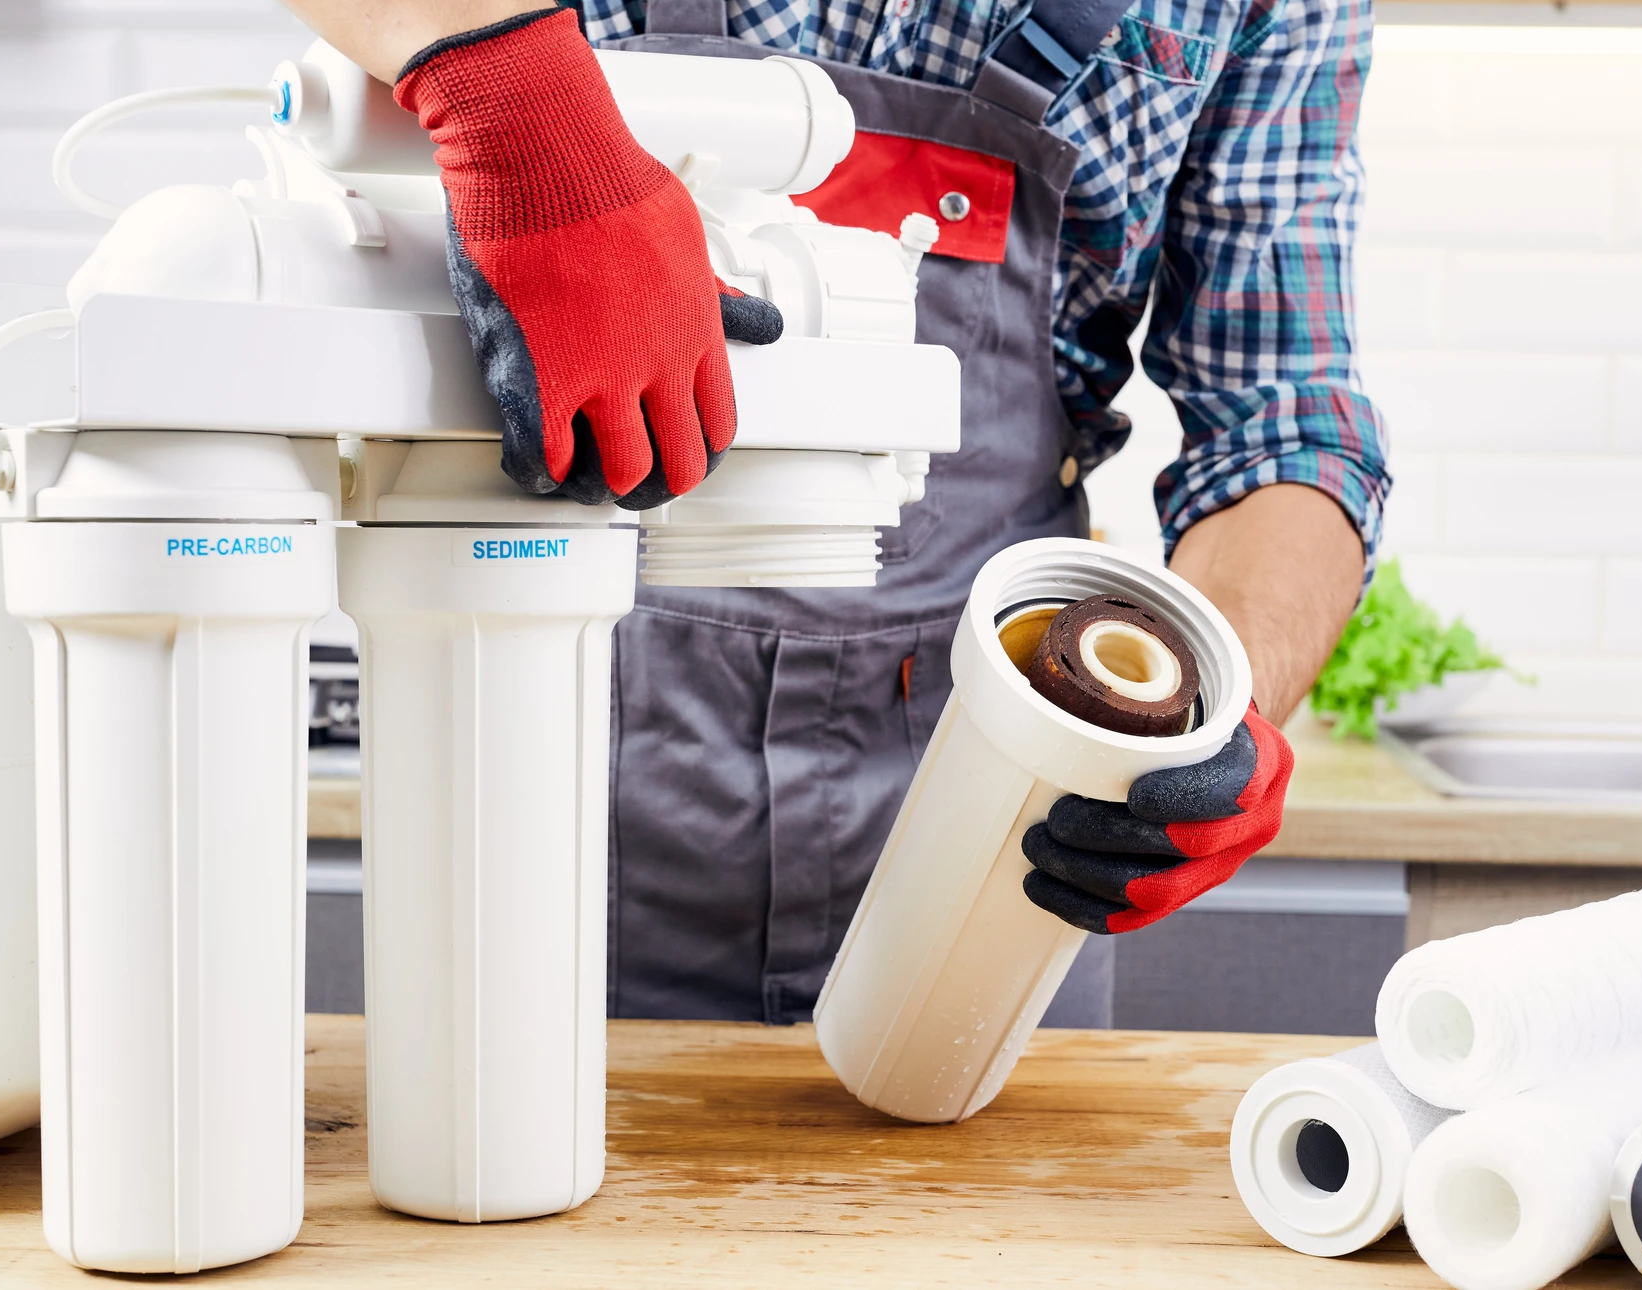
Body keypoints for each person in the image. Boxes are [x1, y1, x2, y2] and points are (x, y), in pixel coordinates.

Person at [282, 0, 1388, 1026]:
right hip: (528, 781)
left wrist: (1211, 701)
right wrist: (513, 98)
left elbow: (1282, 421)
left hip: (1004, 839)